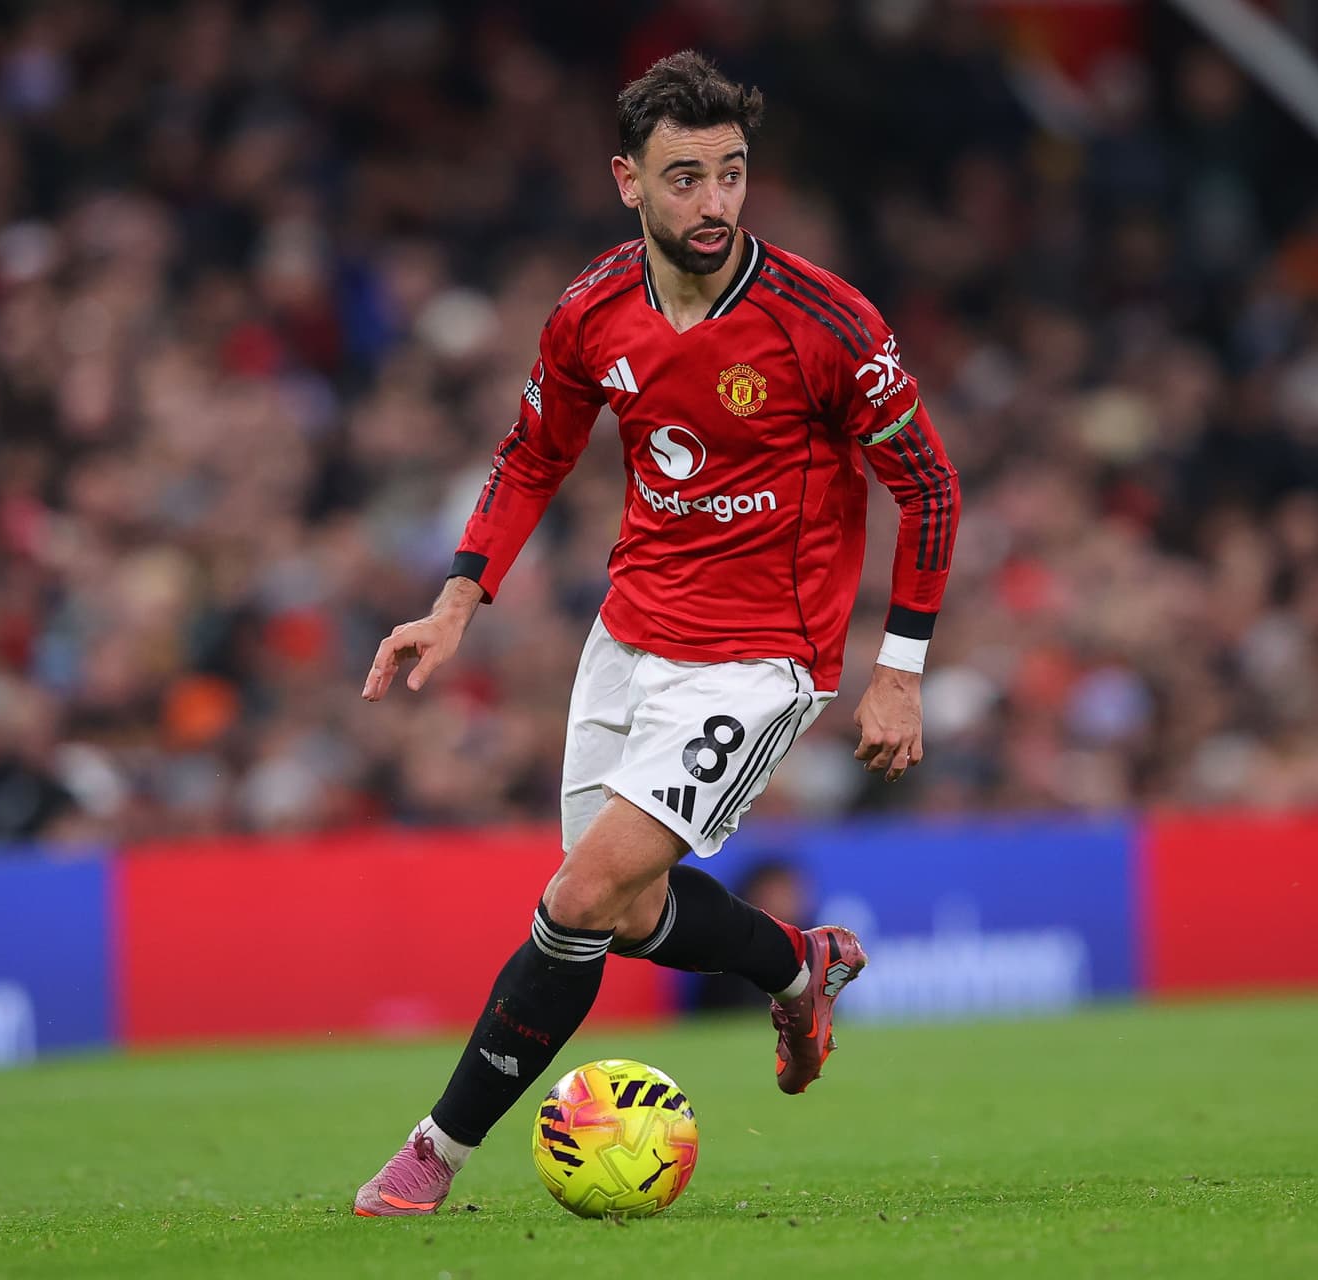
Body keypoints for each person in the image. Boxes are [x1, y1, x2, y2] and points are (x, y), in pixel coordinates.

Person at [353, 51, 959, 1217]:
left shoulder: (824, 323)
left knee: (579, 897)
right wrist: (456, 599)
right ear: (627, 181)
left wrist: (900, 671)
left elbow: (927, 487)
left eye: (732, 174)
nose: (716, 203)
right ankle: (799, 963)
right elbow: (534, 452)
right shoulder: (593, 309)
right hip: (627, 639)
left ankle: (430, 1154)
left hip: (759, 656)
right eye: (685, 178)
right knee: (621, 915)